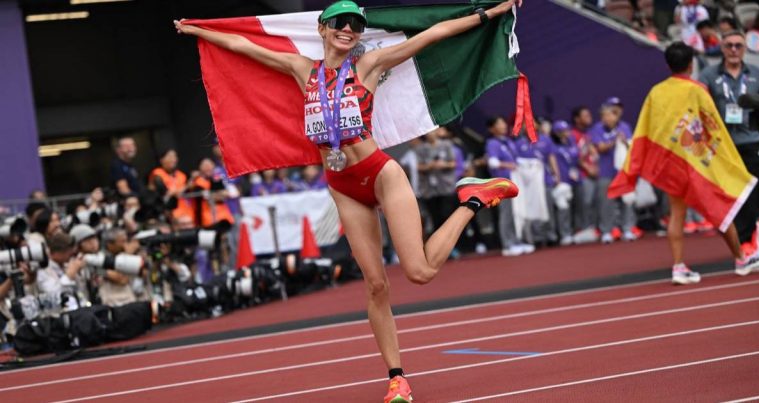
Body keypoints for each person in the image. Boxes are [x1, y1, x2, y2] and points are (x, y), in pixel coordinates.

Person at [175, 1, 521, 400]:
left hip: (381, 175)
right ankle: (397, 378)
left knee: (420, 272)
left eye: (355, 25)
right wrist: (199, 30)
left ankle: (472, 199)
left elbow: (433, 34)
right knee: (375, 285)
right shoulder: (302, 69)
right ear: (322, 29)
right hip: (342, 184)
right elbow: (245, 47)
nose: (348, 29)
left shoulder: (368, 65)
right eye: (340, 22)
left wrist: (489, 14)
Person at [609, 42, 759, 284]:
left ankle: (679, 267)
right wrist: (722, 155)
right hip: (697, 164)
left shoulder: (656, 92)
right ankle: (741, 258)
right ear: (691, 65)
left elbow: (647, 126)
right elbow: (713, 125)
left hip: (671, 162)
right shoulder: (697, 90)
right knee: (718, 209)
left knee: (677, 214)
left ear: (668, 65)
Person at [699, 30, 759, 268]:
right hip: (725, 145)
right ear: (722, 48)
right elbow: (701, 105)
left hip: (753, 140)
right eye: (729, 45)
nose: (734, 50)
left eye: (738, 45)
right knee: (733, 194)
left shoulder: (757, 74)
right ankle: (747, 238)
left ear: (745, 48)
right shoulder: (708, 75)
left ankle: (749, 238)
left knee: (754, 191)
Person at [485, 116, 534, 256]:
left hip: (514, 182)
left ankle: (517, 241)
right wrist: (507, 165)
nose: (503, 126)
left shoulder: (508, 142)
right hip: (502, 184)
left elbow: (516, 160)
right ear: (491, 128)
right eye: (499, 123)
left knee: (516, 212)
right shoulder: (492, 143)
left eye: (503, 123)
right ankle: (508, 244)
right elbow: (492, 162)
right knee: (506, 213)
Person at [589, 104, 637, 243]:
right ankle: (606, 231)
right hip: (605, 171)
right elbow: (600, 148)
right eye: (604, 115)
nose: (607, 118)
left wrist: (624, 140)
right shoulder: (597, 128)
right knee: (606, 202)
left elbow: (631, 146)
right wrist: (614, 141)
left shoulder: (625, 127)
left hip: (623, 171)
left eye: (610, 115)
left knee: (627, 200)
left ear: (616, 116)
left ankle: (627, 229)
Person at [416, 128, 457, 236]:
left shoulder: (446, 144)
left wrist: (444, 164)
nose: (430, 134)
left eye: (432, 131)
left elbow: (454, 163)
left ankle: (457, 241)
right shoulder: (420, 148)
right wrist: (429, 166)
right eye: (427, 132)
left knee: (448, 216)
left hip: (446, 187)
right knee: (435, 218)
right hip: (430, 189)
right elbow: (418, 167)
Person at [551, 120, 581, 245]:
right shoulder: (553, 146)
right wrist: (556, 177)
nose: (566, 132)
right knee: (563, 208)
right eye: (562, 131)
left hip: (574, 178)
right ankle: (565, 234)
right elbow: (552, 162)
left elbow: (576, 158)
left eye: (567, 130)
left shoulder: (571, 142)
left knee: (577, 206)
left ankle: (576, 231)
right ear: (557, 133)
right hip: (562, 180)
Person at [148, 149, 194, 221]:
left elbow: (188, 191)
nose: (173, 159)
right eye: (169, 156)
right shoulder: (157, 174)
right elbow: (166, 193)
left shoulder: (182, 175)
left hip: (186, 210)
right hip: (168, 211)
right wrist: (185, 187)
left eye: (174, 156)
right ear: (161, 160)